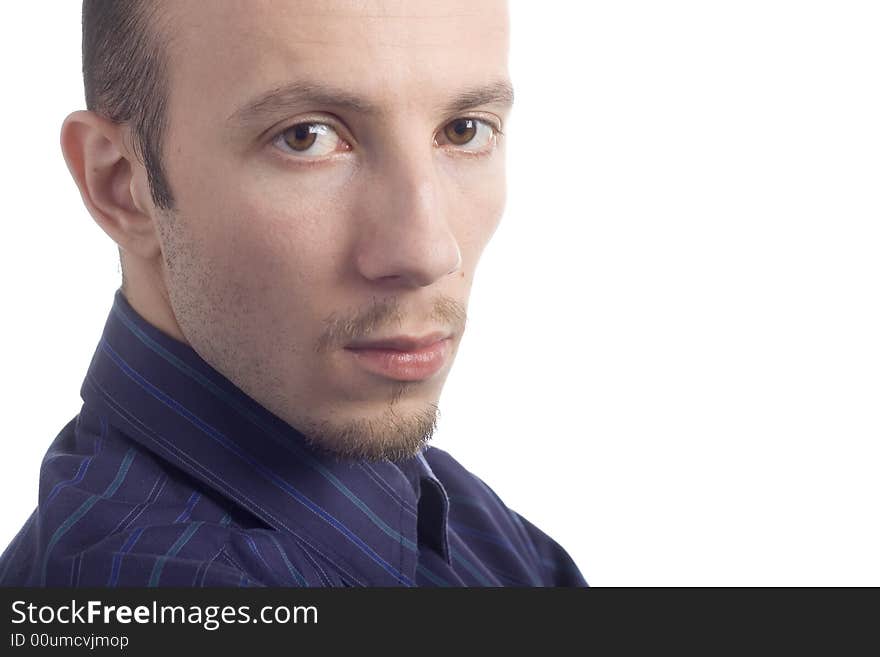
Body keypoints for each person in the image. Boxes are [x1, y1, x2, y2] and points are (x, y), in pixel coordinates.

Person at [0, 0, 586, 587]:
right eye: (306, 137)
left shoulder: (437, 507)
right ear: (122, 184)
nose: (428, 252)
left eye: (464, 130)